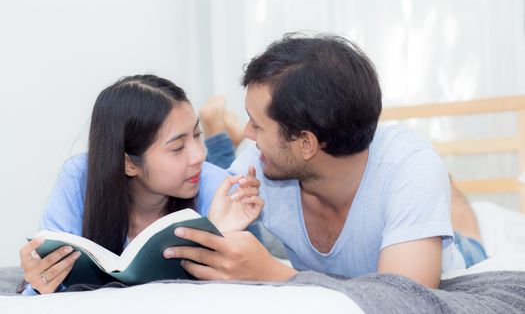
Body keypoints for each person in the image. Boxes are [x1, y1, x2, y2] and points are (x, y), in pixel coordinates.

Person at [164, 34, 479, 288]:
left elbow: (405, 301)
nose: (247, 134)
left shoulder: (409, 169)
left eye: (257, 125)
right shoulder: (261, 165)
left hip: (455, 258)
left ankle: (459, 209)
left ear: (306, 144)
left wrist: (276, 274)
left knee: (471, 242)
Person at [19, 75, 263, 295]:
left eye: (197, 135)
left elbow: (250, 287)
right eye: (177, 147)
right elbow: (42, 283)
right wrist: (40, 283)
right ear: (128, 164)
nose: (199, 155)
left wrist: (225, 235)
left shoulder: (216, 183)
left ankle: (219, 135)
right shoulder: (79, 177)